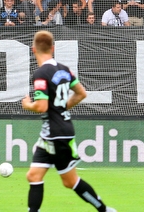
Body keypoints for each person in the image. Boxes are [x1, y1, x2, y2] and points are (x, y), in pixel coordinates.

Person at [21, 31, 116, 212]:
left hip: (54, 134)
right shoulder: (64, 69)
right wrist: (61, 108)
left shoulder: (41, 74)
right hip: (56, 132)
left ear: (33, 50)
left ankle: (104, 210)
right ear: (53, 48)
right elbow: (81, 93)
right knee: (34, 176)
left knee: (70, 181)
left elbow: (41, 107)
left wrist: (27, 105)